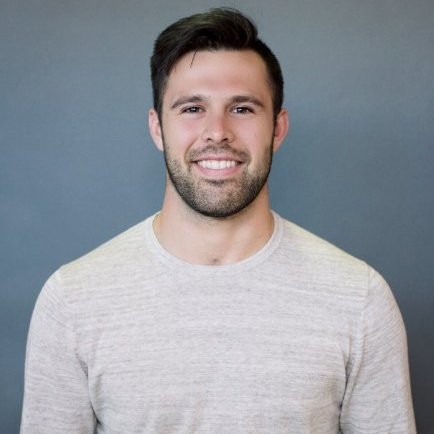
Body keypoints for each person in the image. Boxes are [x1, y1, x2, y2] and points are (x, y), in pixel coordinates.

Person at [20, 7, 416, 433]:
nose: (217, 131)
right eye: (192, 108)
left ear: (278, 129)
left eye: (242, 108)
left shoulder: (359, 300)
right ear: (157, 128)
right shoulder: (73, 301)